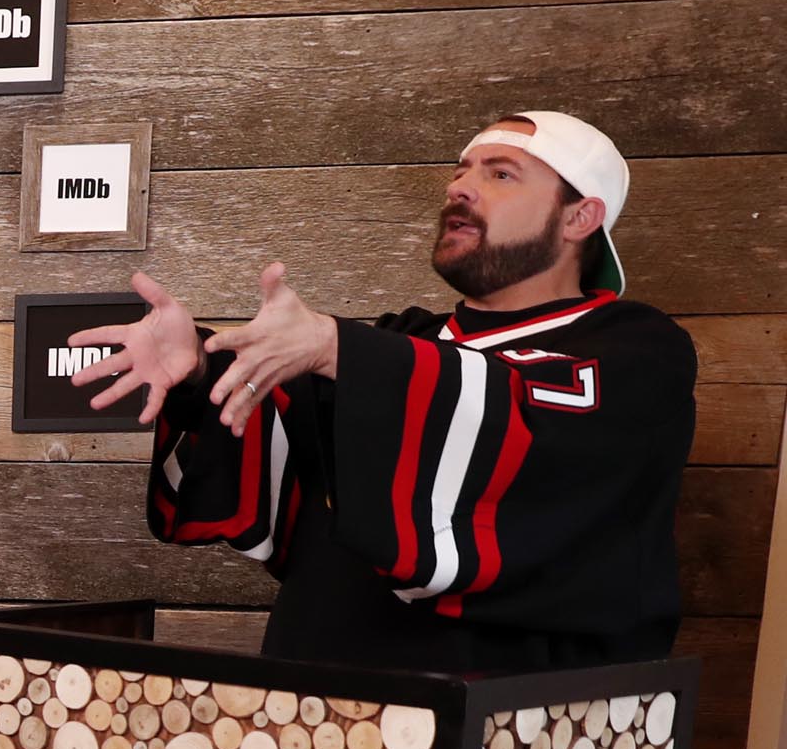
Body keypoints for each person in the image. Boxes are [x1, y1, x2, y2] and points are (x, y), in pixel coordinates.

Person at [79, 110, 697, 672]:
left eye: (501, 174)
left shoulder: (632, 351)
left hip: (504, 742)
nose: (459, 187)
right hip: (312, 734)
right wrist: (201, 372)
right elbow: (287, 452)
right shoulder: (404, 341)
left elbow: (524, 429)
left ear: (579, 217)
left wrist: (336, 349)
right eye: (461, 170)